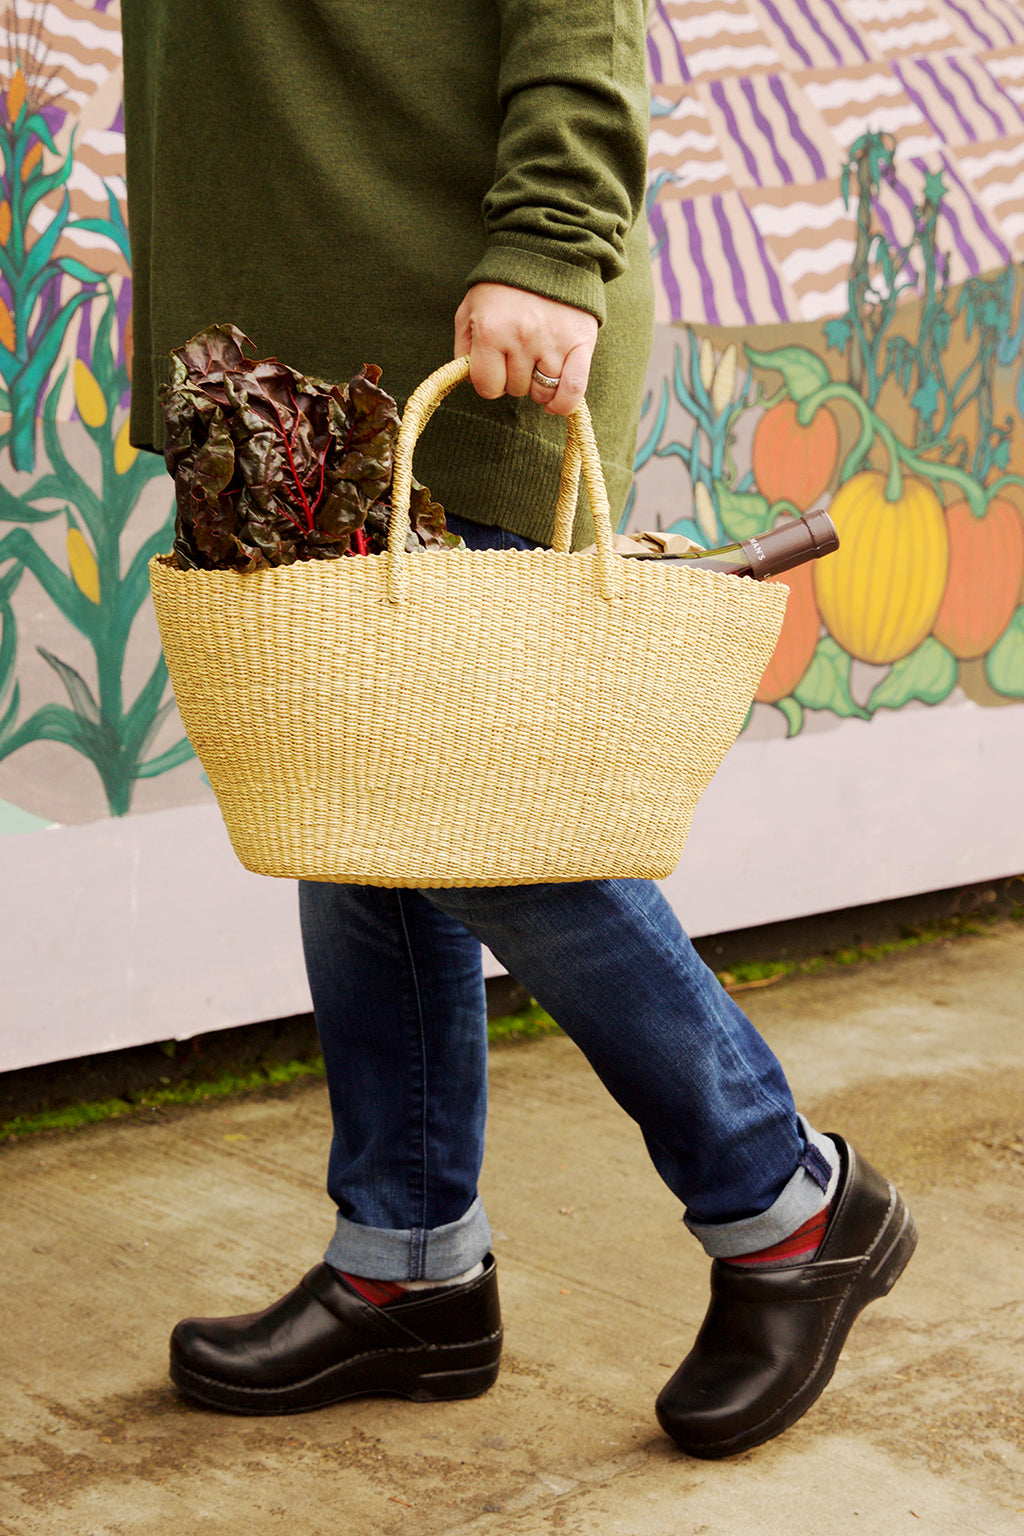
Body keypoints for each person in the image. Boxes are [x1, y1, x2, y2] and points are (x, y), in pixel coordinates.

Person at [120, 1, 916, 1458]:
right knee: (357, 799)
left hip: (456, 316)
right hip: (279, 354)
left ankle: (789, 1207)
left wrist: (553, 241)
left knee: (481, 812)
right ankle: (408, 1266)